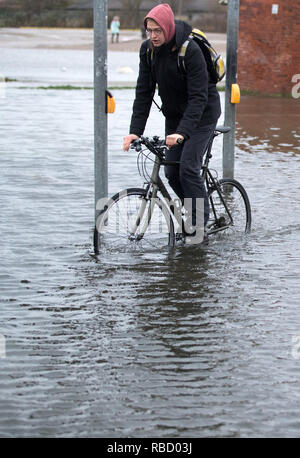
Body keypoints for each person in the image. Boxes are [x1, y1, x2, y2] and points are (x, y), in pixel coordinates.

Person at [123, 3, 221, 243]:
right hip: (175, 116)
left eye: (158, 30)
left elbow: (199, 98)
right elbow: (143, 94)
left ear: (167, 27)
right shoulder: (148, 52)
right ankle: (193, 210)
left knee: (188, 167)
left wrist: (182, 134)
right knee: (171, 171)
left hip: (203, 114)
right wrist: (134, 132)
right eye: (149, 31)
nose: (153, 36)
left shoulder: (190, 50)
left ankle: (199, 228)